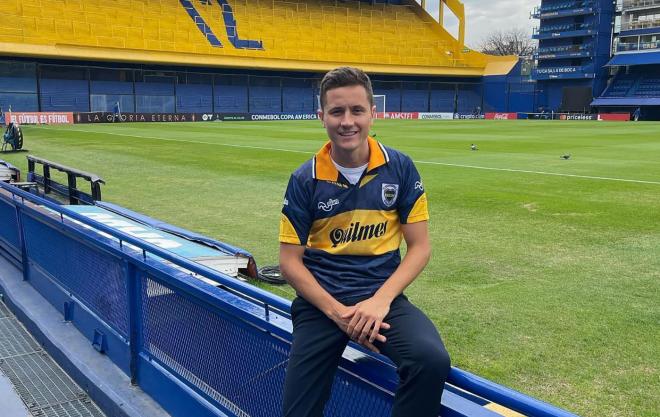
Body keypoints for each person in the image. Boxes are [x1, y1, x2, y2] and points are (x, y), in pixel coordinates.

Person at [279, 67, 450, 417]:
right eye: (336, 111)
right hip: (321, 305)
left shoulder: (400, 168)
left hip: (380, 298)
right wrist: (337, 313)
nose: (347, 121)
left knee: (430, 361)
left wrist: (380, 300)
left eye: (357, 110)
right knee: (298, 410)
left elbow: (420, 247)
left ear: (374, 113)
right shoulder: (304, 178)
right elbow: (290, 262)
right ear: (321, 117)